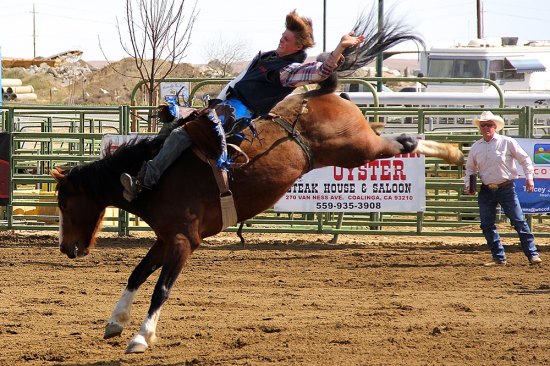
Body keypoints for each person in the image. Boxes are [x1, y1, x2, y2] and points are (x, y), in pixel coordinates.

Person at [120, 9, 366, 201]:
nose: (281, 40)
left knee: (179, 136)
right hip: (226, 104)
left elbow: (320, 71)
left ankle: (145, 182)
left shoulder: (287, 71)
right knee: (173, 123)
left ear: (298, 46)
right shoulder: (269, 58)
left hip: (240, 114)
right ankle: (150, 173)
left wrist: (340, 47)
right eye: (282, 36)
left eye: (286, 39)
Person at [464, 111, 542, 266]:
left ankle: (532, 254)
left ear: (495, 127)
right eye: (483, 125)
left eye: (489, 125)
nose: (486, 127)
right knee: (487, 224)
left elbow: (525, 160)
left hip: (506, 187)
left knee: (518, 221)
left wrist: (529, 178)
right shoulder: (476, 147)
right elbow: (470, 169)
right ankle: (499, 257)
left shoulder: (507, 142)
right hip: (487, 188)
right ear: (480, 127)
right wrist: (469, 185)